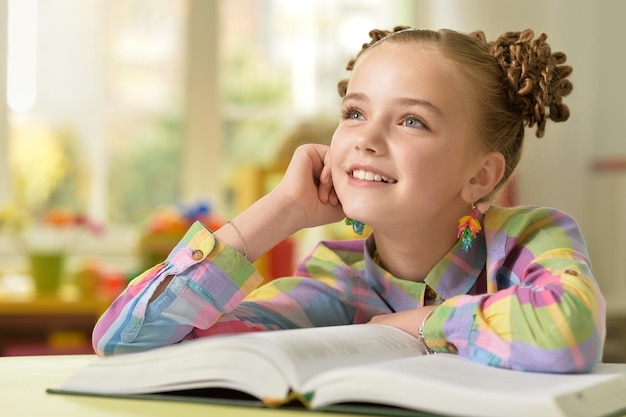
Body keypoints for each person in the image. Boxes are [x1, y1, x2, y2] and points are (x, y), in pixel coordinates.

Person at [93, 26, 606, 373]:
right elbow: (123, 340)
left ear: (480, 175)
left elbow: (570, 330)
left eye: (412, 121)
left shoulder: (529, 239)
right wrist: (280, 211)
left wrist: (413, 324)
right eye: (355, 113)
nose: (366, 138)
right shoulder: (338, 281)